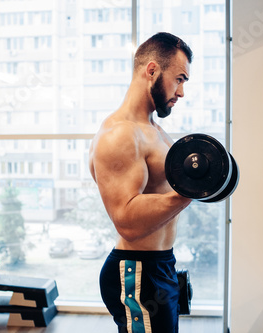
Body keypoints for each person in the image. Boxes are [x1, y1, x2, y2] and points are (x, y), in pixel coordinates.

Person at [89, 32, 193, 333]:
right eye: (180, 79)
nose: (181, 92)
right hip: (137, 269)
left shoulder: (155, 131)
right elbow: (127, 221)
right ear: (152, 71)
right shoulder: (120, 135)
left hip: (160, 264)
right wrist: (187, 194)